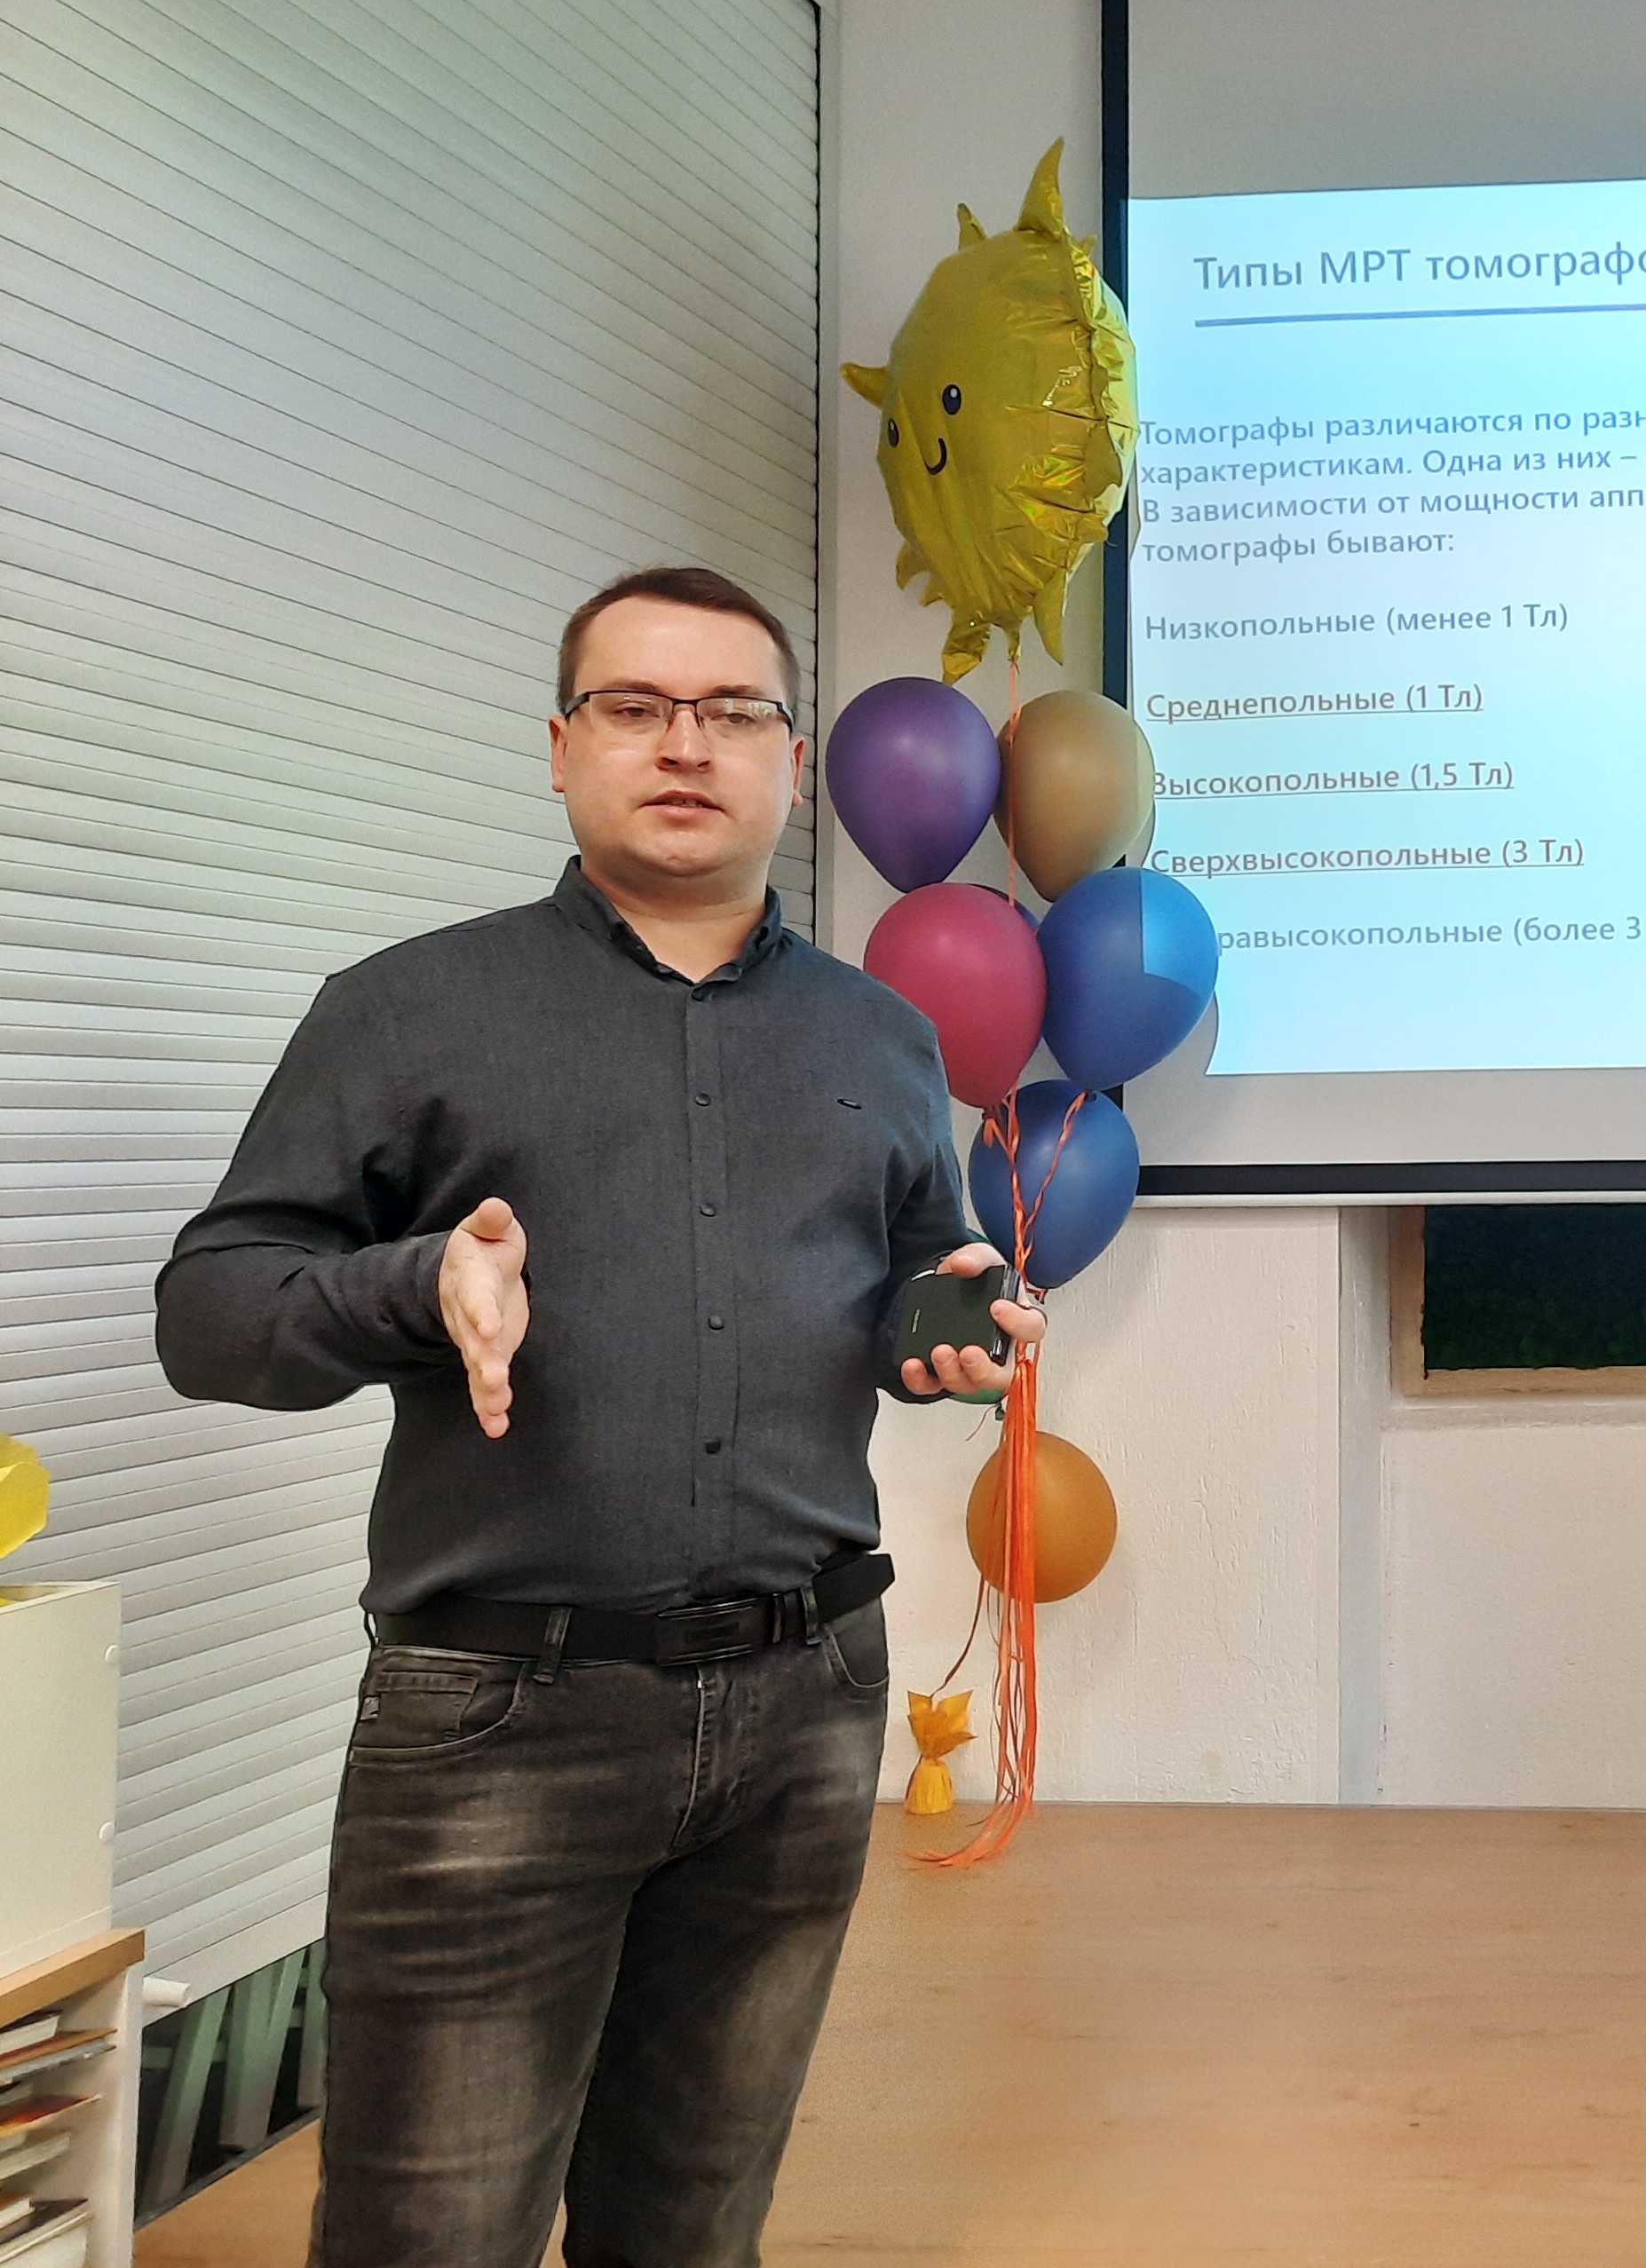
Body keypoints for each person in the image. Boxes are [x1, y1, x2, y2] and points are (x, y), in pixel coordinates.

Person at [156, 565, 1036, 2268]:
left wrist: (945, 1326)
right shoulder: (408, 1007)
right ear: (562, 747)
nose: (684, 745)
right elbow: (210, 1313)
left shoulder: (881, 1036)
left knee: (692, 2228)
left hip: (806, 1703)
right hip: (501, 1716)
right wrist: (416, 1287)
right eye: (636, 707)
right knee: (431, 2235)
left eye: (732, 712)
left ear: (792, 763)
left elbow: (908, 1275)